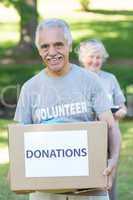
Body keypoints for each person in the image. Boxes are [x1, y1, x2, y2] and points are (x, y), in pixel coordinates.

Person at [14, 19, 121, 200]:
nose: (52, 52)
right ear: (39, 50)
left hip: (88, 188)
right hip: (45, 190)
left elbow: (110, 126)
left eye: (58, 44)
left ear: (69, 45)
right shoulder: (29, 88)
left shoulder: (90, 81)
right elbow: (20, 140)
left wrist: (114, 159)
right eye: (45, 46)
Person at [78, 39, 127, 200]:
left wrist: (120, 112)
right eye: (91, 56)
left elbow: (122, 106)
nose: (95, 61)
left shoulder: (110, 79)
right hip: (86, 136)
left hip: (110, 135)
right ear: (82, 58)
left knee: (109, 175)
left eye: (99, 57)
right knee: (85, 176)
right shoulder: (76, 79)